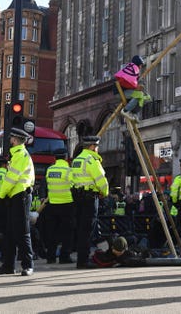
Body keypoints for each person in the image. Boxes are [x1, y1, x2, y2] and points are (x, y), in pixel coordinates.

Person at [0, 128, 35, 277]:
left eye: (11, 139)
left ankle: (28, 265)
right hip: (14, 197)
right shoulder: (17, 155)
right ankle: (8, 265)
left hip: (20, 196)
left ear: (15, 140)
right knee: (10, 233)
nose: (10, 141)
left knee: (23, 232)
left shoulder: (20, 155)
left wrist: (1, 195)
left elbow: (11, 178)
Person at [71, 135, 109, 269]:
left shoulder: (77, 160)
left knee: (81, 229)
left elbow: (71, 179)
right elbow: (101, 180)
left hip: (78, 198)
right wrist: (104, 193)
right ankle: (83, 261)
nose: (97, 149)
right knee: (87, 230)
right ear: (92, 146)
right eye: (97, 146)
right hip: (89, 199)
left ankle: (81, 259)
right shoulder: (91, 160)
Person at [44, 147, 75, 264]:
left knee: (52, 232)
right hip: (67, 204)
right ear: (66, 157)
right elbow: (74, 185)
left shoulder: (49, 170)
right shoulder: (68, 170)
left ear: (54, 157)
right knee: (67, 232)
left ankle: (50, 257)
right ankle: (64, 256)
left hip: (52, 204)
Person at [116, 55, 152, 122]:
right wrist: (137, 87)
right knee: (139, 95)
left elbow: (136, 83)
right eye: (140, 65)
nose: (141, 67)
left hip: (128, 91)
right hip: (121, 91)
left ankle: (133, 113)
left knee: (146, 97)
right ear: (137, 64)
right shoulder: (131, 69)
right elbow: (131, 82)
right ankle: (125, 111)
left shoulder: (135, 72)